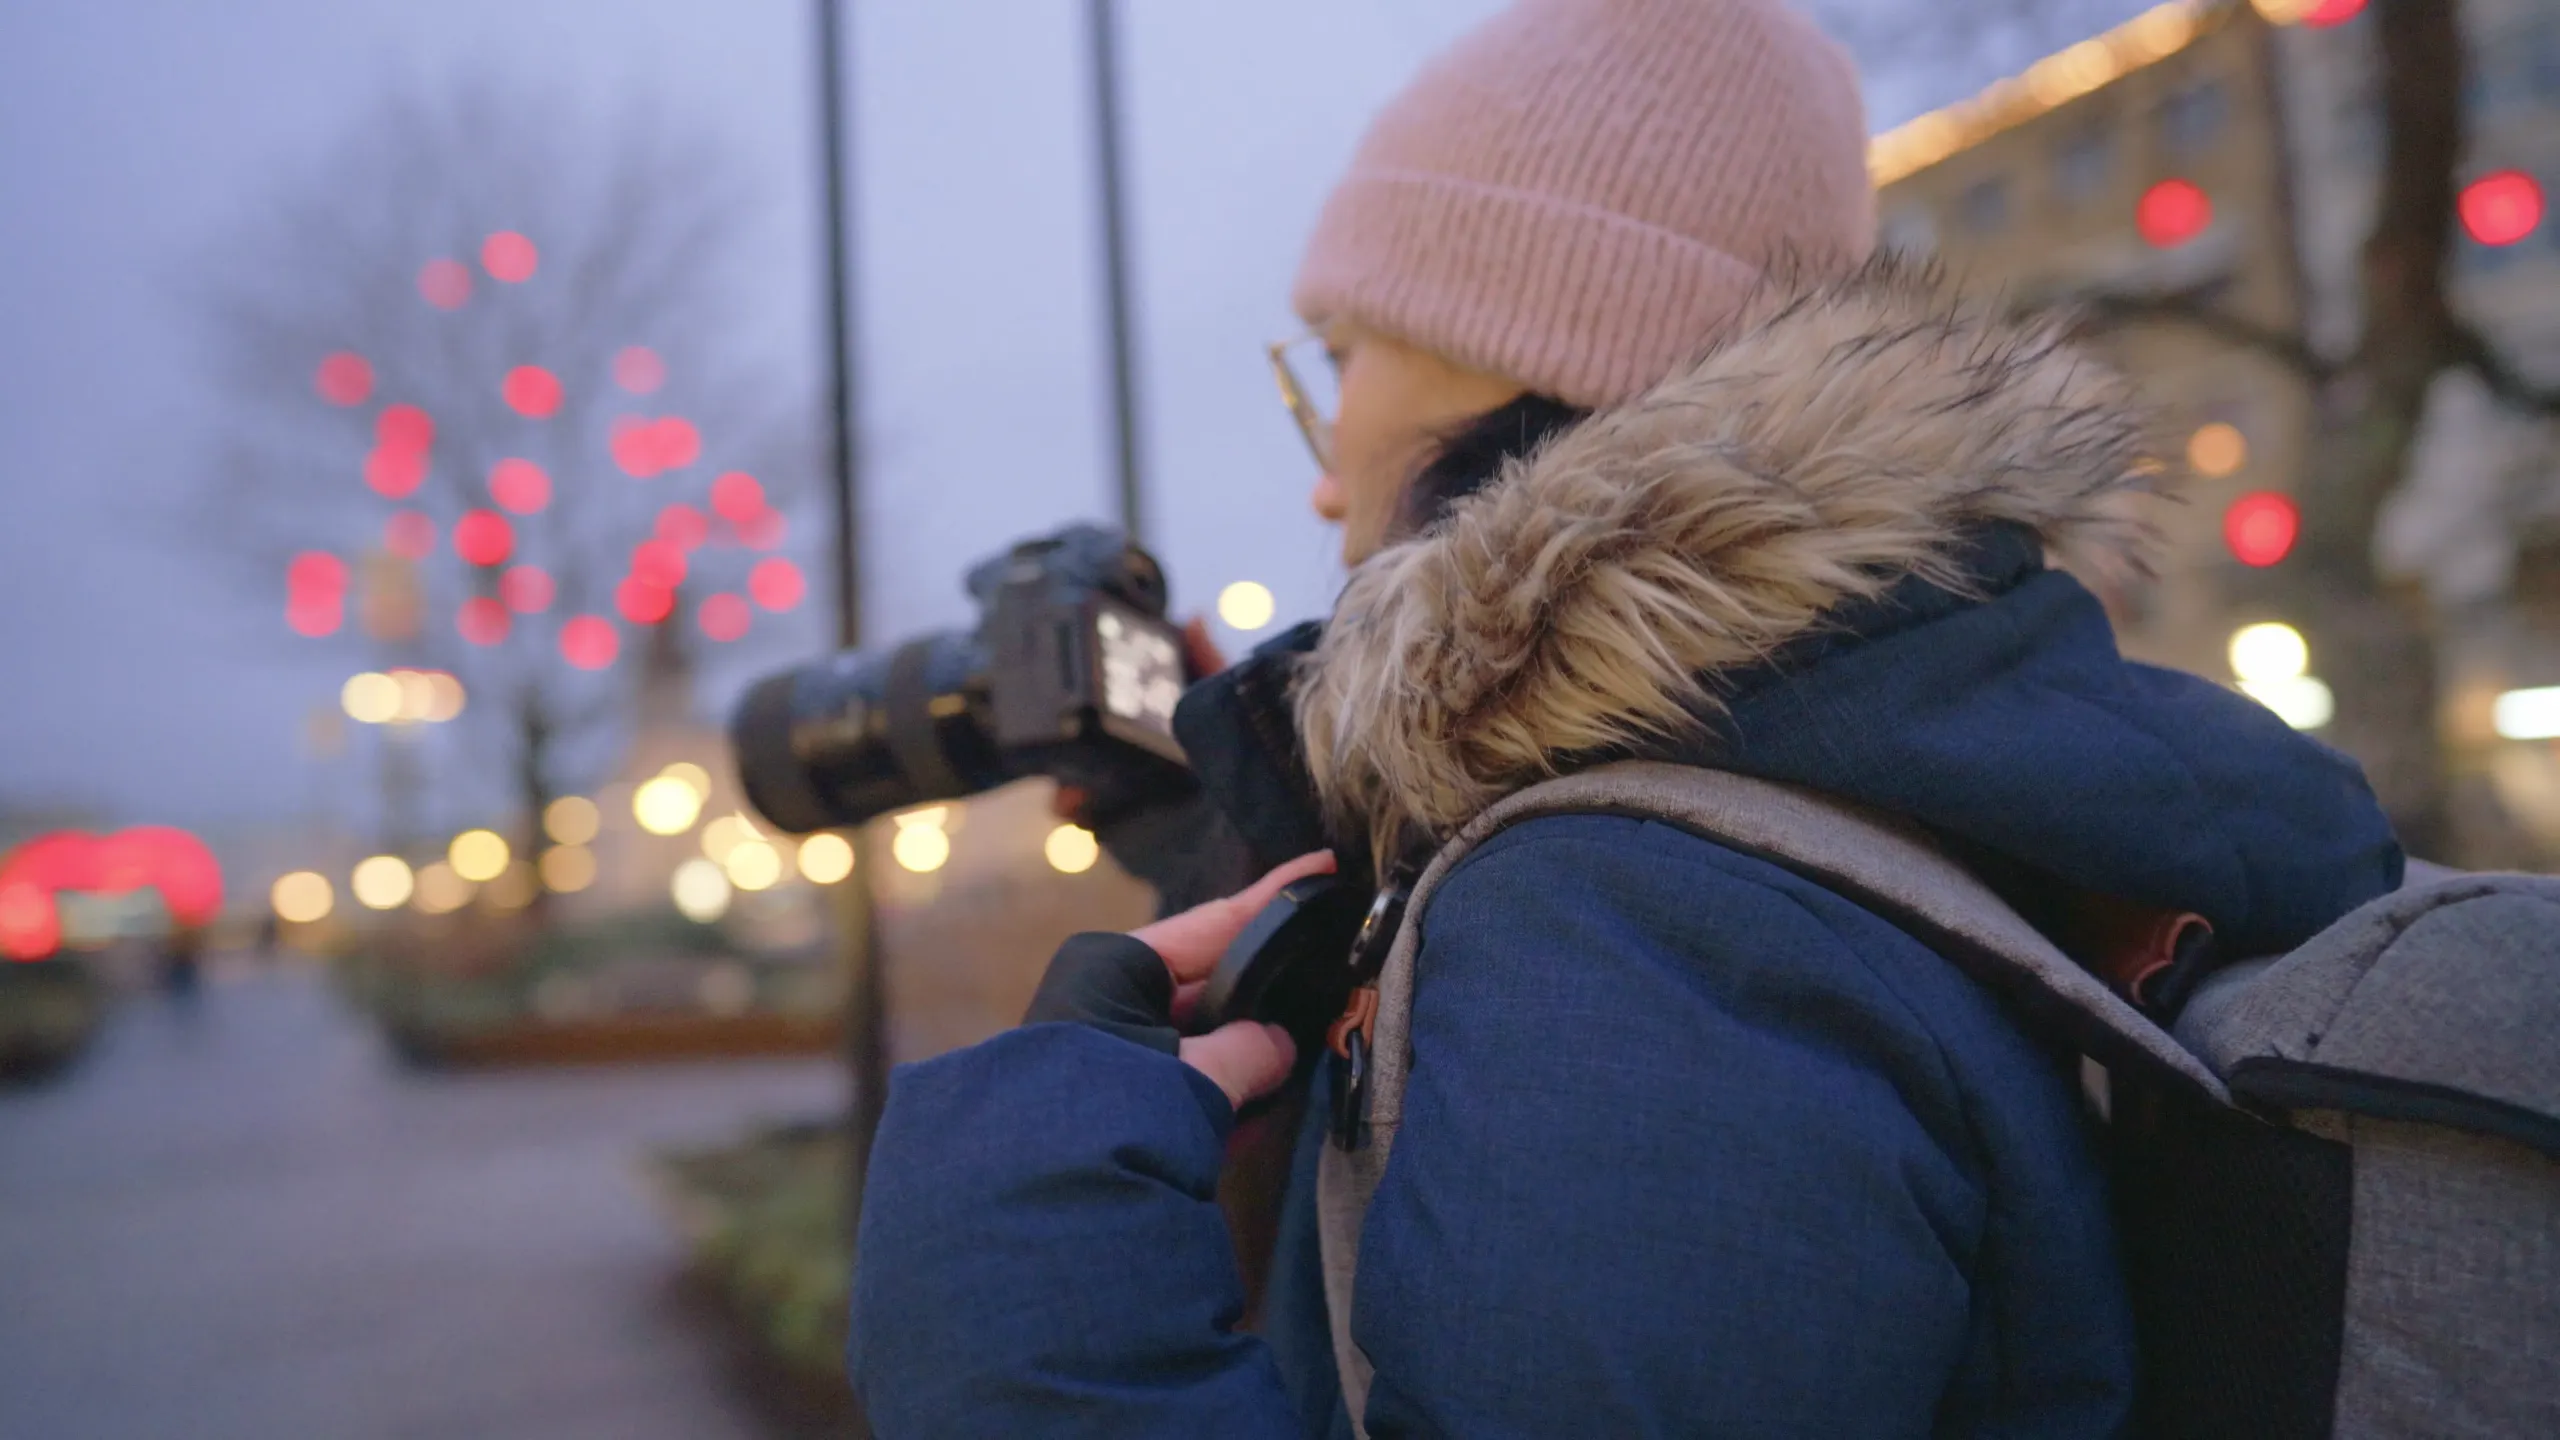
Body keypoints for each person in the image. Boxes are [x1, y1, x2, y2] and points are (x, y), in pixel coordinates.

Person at [847, 0, 2403, 1434]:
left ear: (1531, 343)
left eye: (1341, 359)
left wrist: (1018, 1282)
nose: (1323, 478)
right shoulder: (1882, 777)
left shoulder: (1626, 919)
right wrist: (1238, 831)